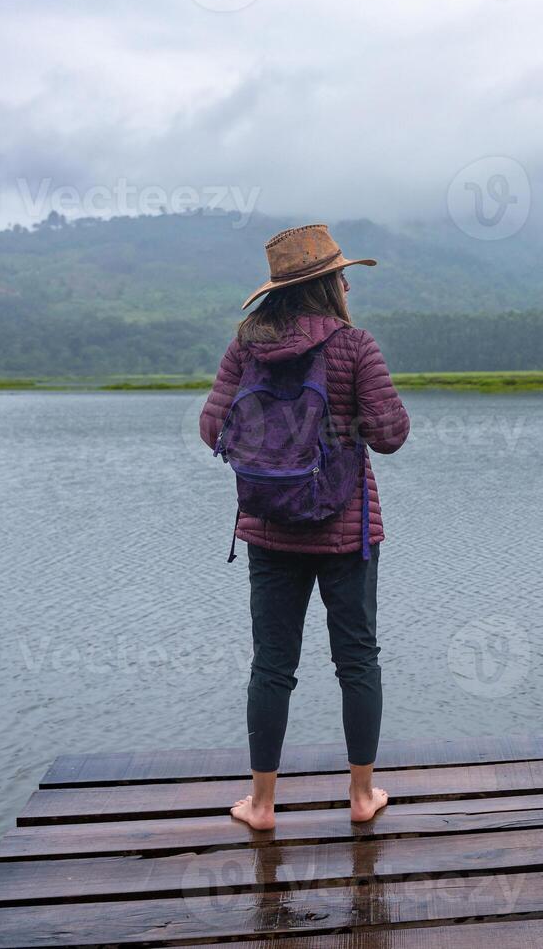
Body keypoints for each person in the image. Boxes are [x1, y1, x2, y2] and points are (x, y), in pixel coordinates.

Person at [199, 224, 409, 827]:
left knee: (272, 665)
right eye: (342, 276)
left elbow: (213, 431)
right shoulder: (354, 345)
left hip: (268, 527)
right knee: (357, 661)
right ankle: (362, 798)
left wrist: (275, 447)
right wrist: (342, 431)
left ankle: (262, 804)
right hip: (347, 531)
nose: (347, 284)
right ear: (326, 286)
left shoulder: (245, 347)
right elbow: (392, 436)